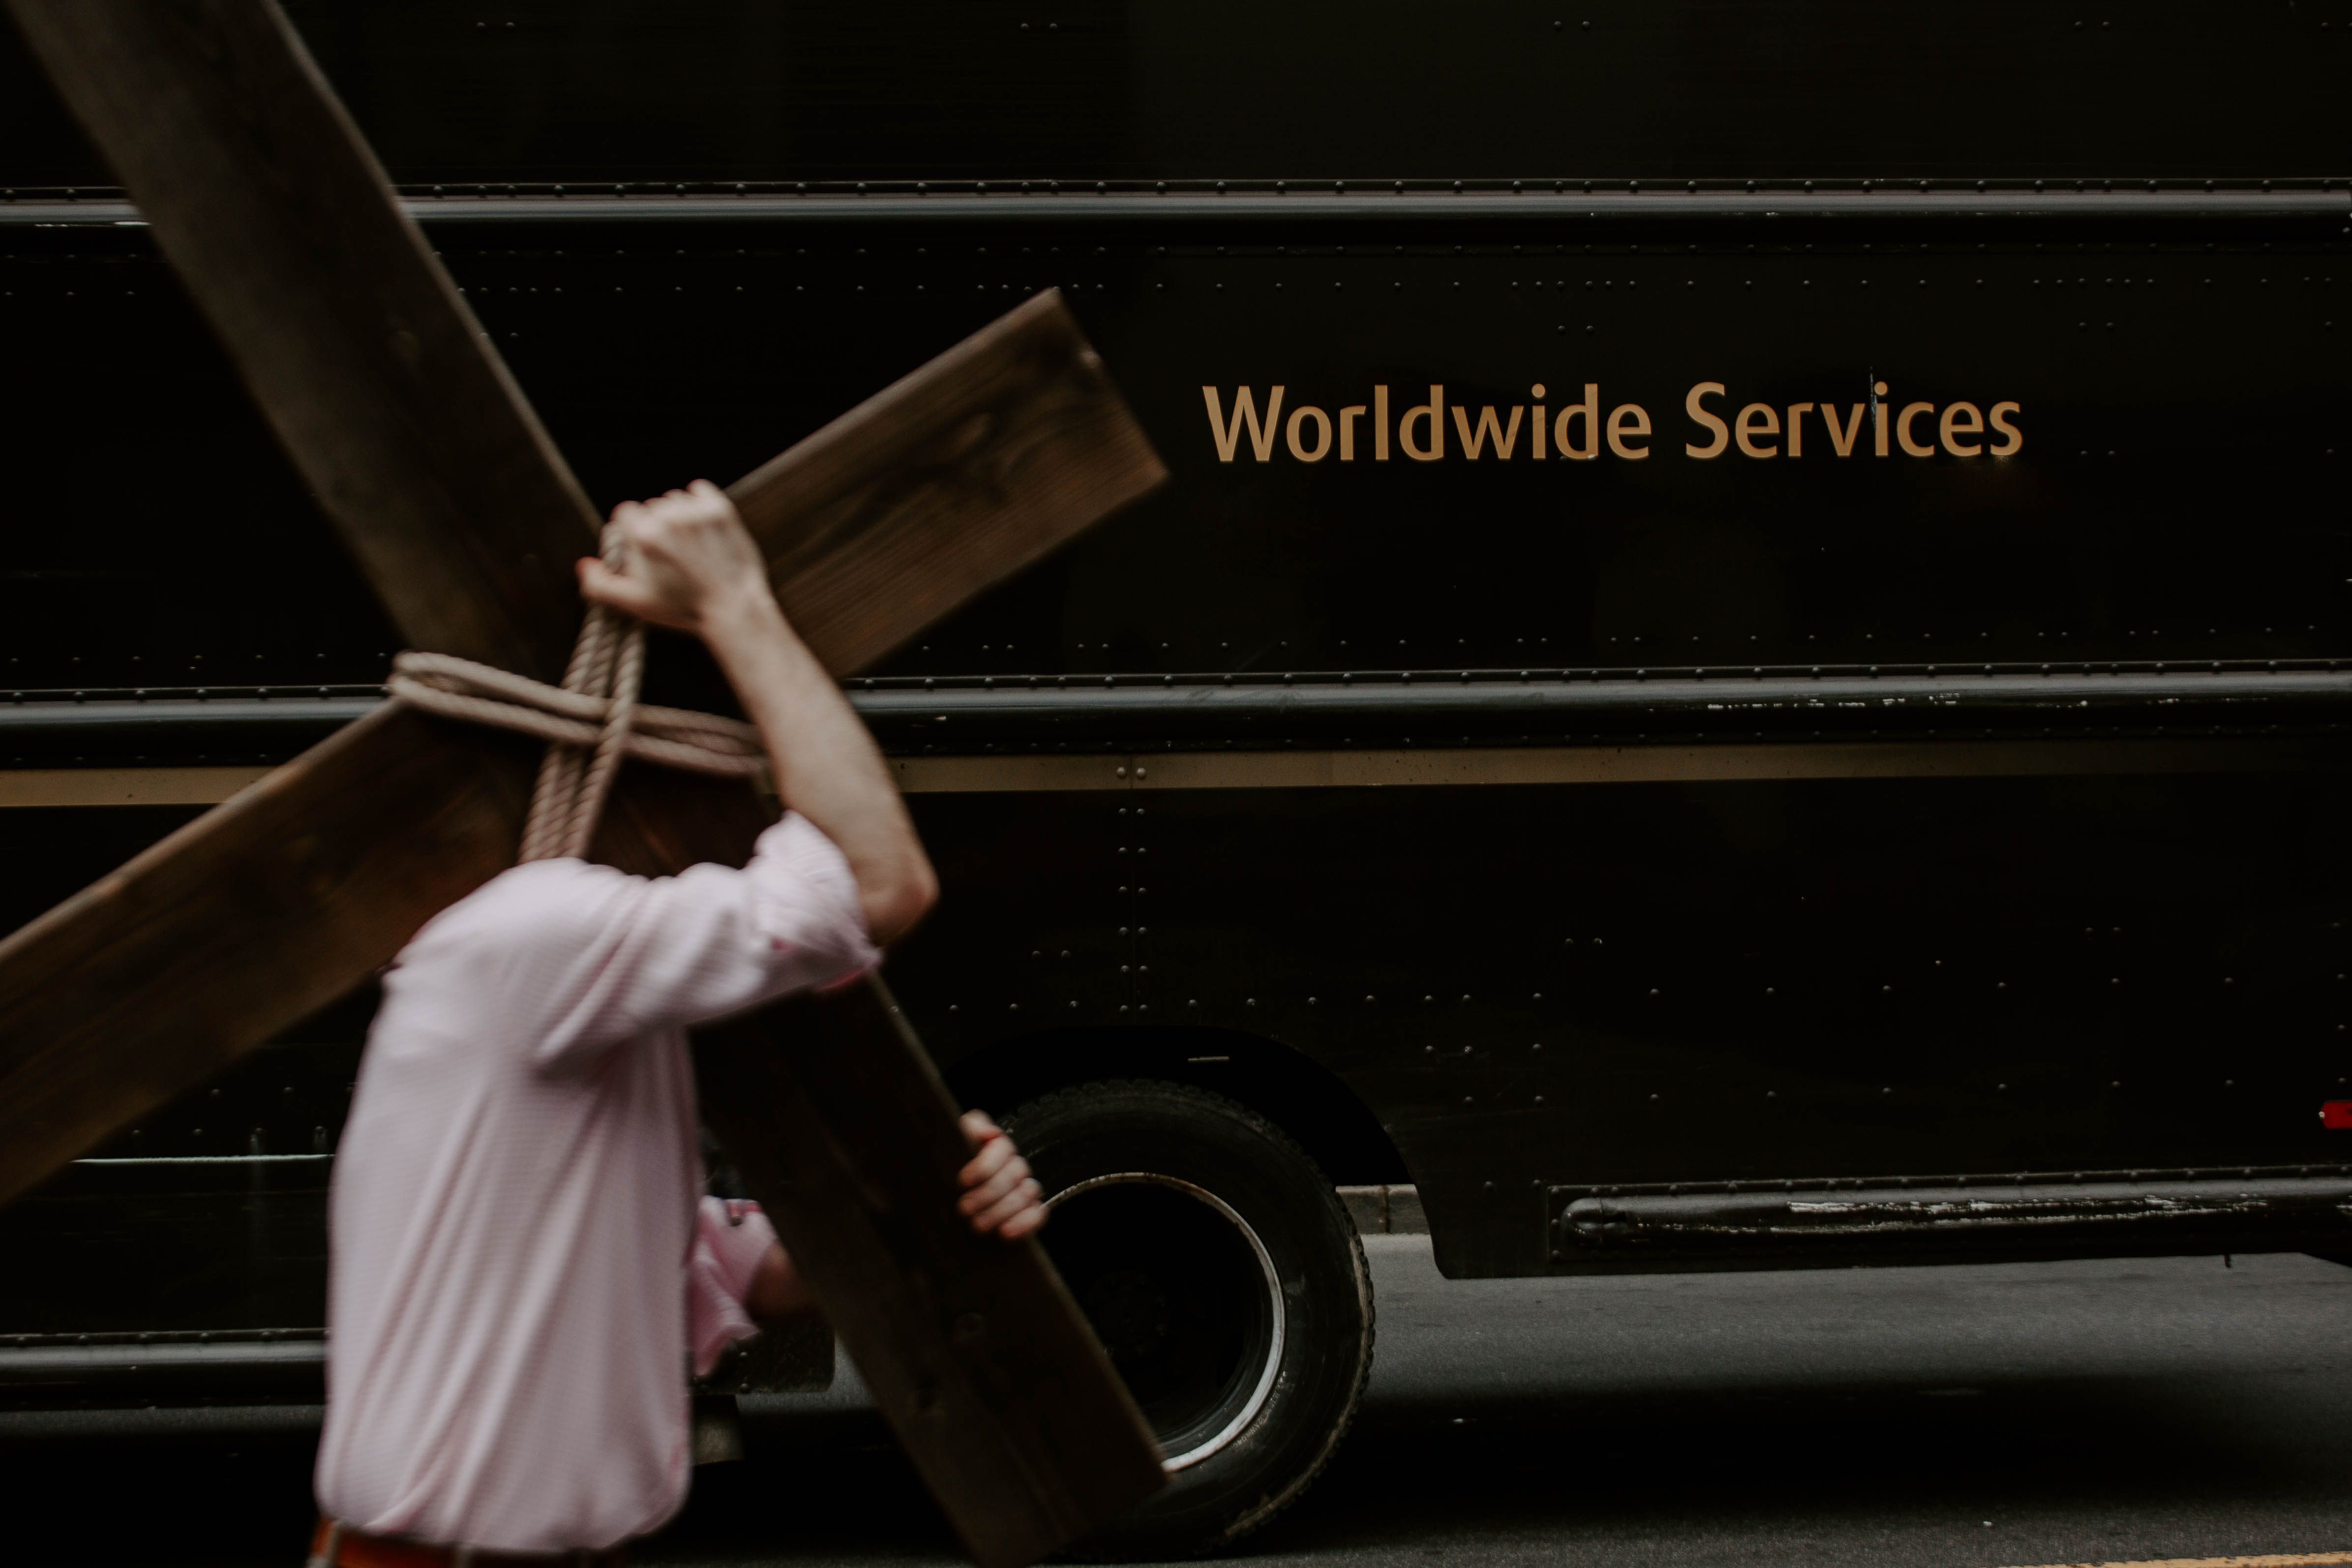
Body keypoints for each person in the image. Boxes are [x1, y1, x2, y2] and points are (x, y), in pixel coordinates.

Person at [310, 481, 1045, 1565]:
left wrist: (947, 1186)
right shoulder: (530, 938)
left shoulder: (565, 1013)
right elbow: (878, 881)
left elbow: (738, 1273)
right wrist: (736, 602)